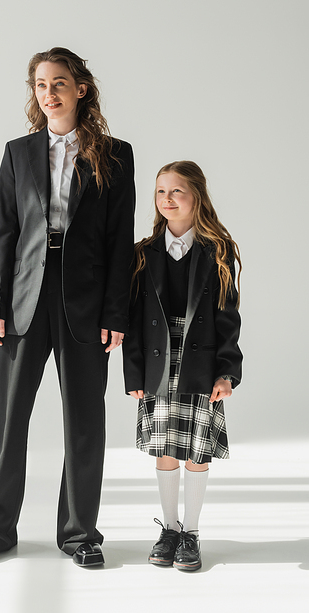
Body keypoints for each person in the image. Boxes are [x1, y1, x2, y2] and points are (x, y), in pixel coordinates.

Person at [0, 47, 135, 567]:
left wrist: (115, 314)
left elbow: (119, 242)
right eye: (40, 84)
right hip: (23, 298)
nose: (48, 92)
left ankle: (81, 536)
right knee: (8, 419)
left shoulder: (115, 154)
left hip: (85, 299)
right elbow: (3, 233)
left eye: (59, 83)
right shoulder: (18, 152)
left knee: (84, 420)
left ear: (81, 88)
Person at [123, 161, 242, 572]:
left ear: (196, 198)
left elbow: (229, 318)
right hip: (158, 359)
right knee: (165, 450)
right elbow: (133, 320)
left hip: (202, 362)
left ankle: (190, 532)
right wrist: (133, 373)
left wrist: (227, 372)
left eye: (177, 192)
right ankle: (169, 528)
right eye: (161, 192)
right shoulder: (143, 253)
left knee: (196, 449)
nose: (167, 199)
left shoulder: (217, 251)